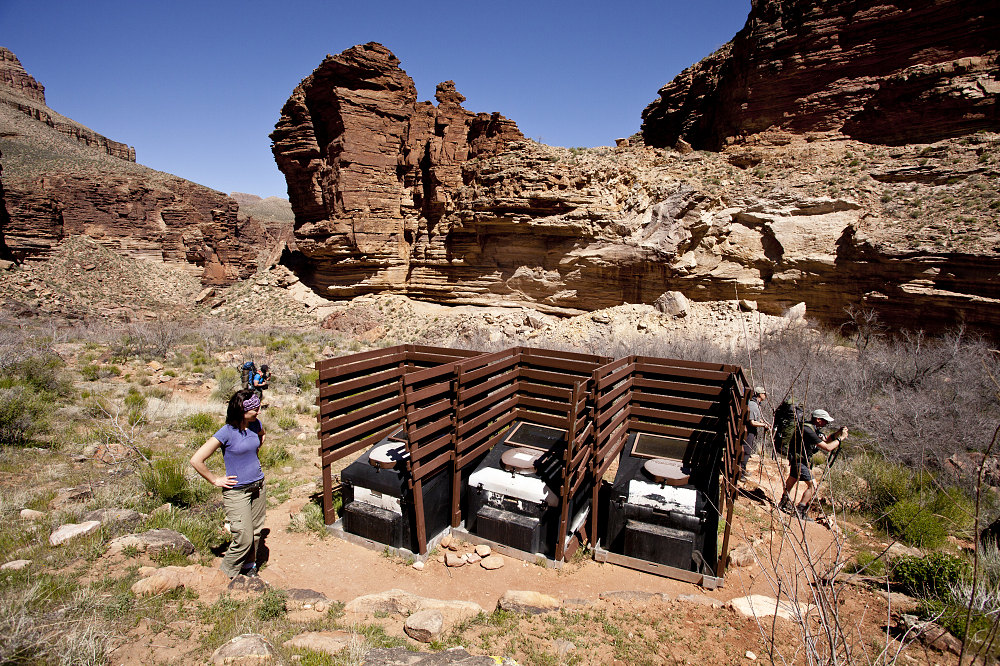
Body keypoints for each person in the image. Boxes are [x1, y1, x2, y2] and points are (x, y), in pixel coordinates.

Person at [190, 390, 267, 578]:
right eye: (255, 409)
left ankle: (249, 567)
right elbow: (196, 459)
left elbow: (261, 436)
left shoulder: (255, 424)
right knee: (243, 537)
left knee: (255, 532)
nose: (258, 411)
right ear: (242, 410)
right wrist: (215, 480)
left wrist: (253, 453)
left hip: (258, 485)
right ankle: (224, 576)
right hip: (237, 491)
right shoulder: (227, 432)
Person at [778, 408, 848, 521]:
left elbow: (826, 440)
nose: (826, 423)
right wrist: (841, 438)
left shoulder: (811, 428)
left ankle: (783, 501)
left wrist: (837, 434)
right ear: (819, 420)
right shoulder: (807, 430)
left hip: (798, 459)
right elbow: (828, 447)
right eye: (825, 421)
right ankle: (800, 511)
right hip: (800, 460)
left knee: (792, 479)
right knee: (813, 486)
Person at [739, 387, 769, 482]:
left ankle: (742, 470)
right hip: (748, 432)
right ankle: (740, 473)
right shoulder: (753, 405)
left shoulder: (756, 405)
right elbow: (752, 422)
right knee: (746, 451)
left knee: (747, 451)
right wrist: (764, 425)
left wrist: (764, 422)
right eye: (764, 393)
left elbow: (756, 419)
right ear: (759, 394)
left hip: (751, 432)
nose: (765, 395)